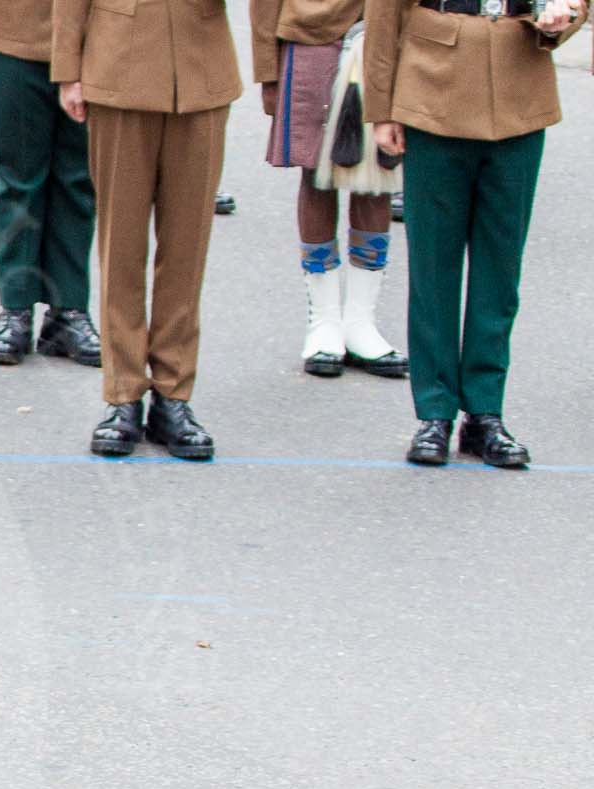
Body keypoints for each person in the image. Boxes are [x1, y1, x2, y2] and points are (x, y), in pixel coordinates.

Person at [364, 0, 585, 467]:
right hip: (433, 89)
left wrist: (562, 17)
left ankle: (485, 412)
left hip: (518, 90)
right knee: (433, 268)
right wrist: (382, 107)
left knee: (499, 272)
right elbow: (385, 14)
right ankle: (435, 412)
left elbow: (573, 2)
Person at [51, 0, 240, 460]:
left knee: (186, 250)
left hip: (200, 70)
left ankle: (174, 394)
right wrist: (69, 70)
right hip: (118, 66)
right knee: (121, 247)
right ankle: (123, 394)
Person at [253, 0, 406, 380]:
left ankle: (360, 322)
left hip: (389, 34)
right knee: (316, 176)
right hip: (311, 36)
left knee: (378, 181)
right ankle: (324, 322)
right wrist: (267, 71)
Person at [0, 0, 101, 367]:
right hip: (16, 32)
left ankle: (69, 309)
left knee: (80, 179)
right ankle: (15, 308)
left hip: (96, 37)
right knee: (19, 176)